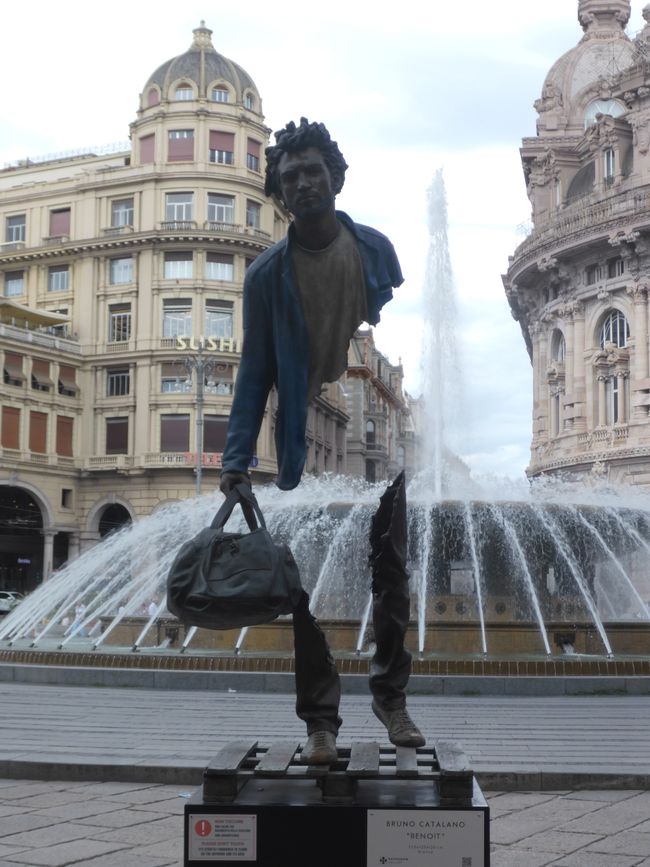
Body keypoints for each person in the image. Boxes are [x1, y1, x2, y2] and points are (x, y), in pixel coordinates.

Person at [220, 118, 423, 762]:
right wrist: (236, 459)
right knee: (301, 588)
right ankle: (320, 721)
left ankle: (391, 699)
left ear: (335, 177)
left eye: (314, 171)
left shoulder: (374, 252)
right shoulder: (265, 277)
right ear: (280, 193)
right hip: (305, 441)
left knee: (392, 578)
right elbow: (255, 373)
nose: (304, 183)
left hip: (380, 457)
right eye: (290, 177)